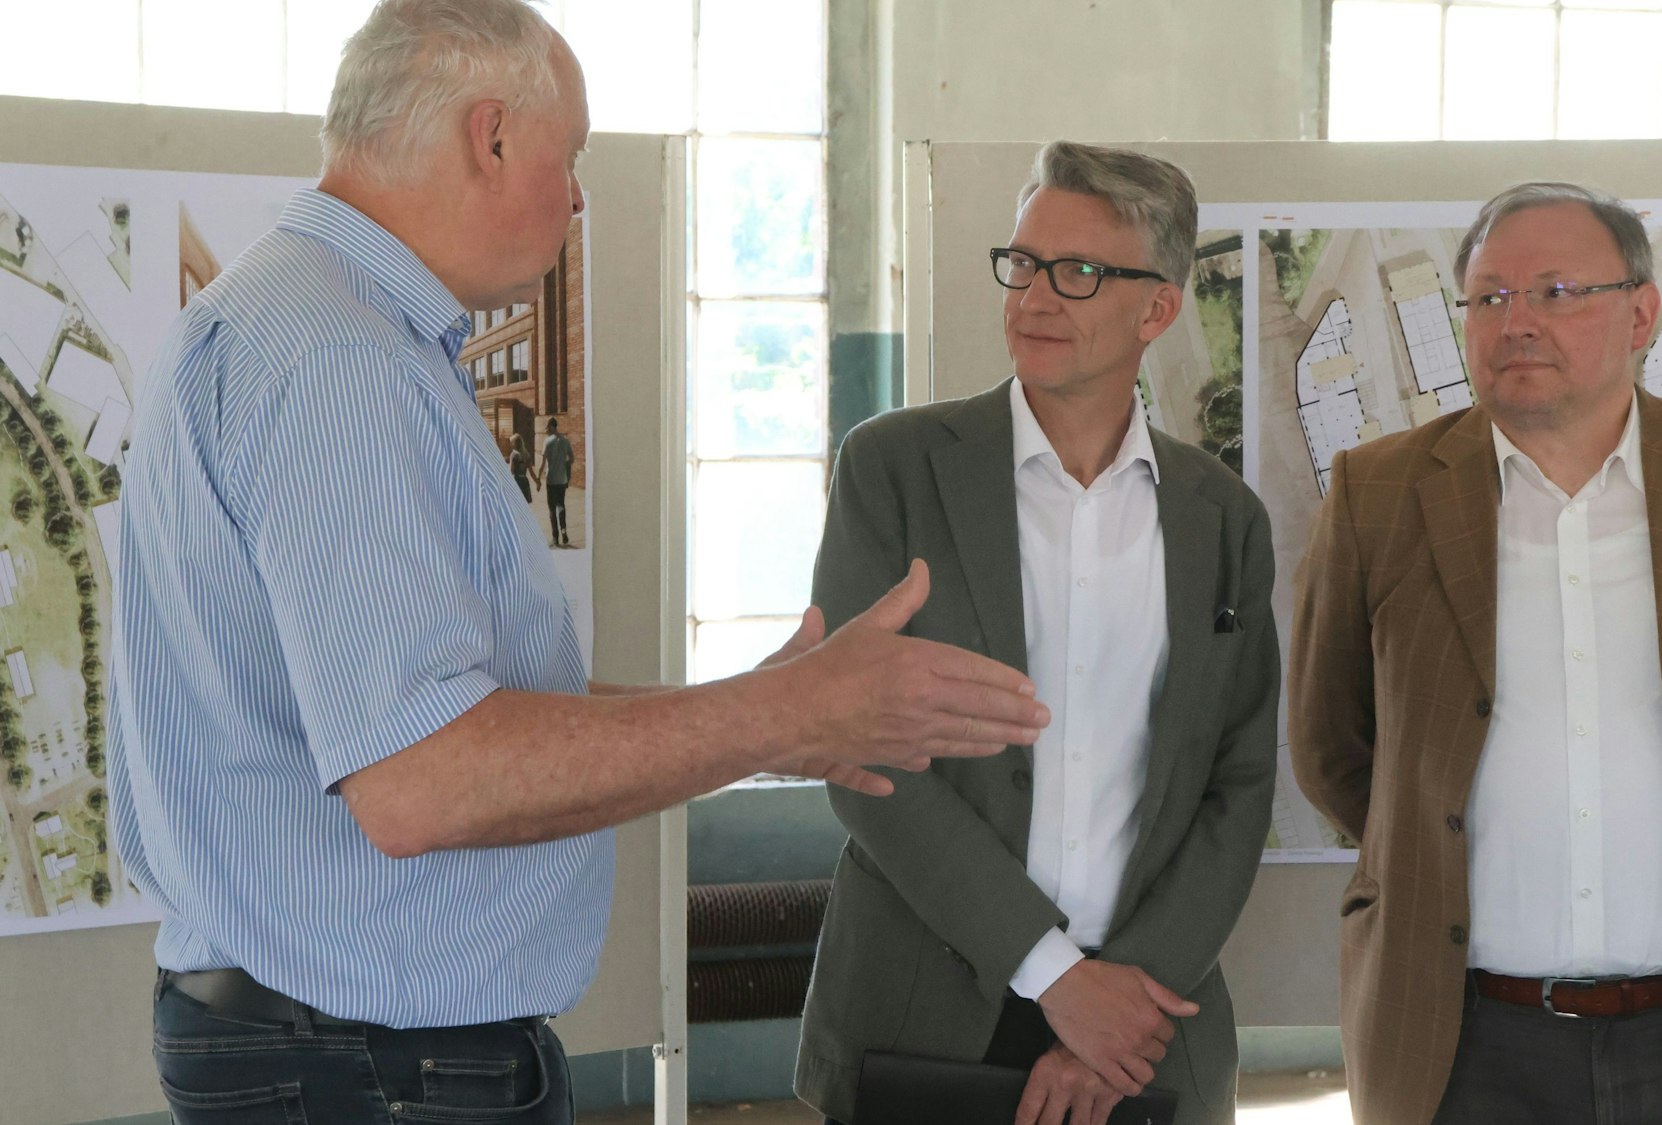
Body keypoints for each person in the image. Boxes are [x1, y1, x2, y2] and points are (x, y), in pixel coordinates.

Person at [106, 3, 1047, 1122]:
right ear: (490, 136)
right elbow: (425, 780)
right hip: (374, 1068)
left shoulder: (300, 322)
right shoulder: (337, 362)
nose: (581, 196)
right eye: (574, 155)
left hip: (343, 1048)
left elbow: (463, 713)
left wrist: (771, 706)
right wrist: (785, 718)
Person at [1287, 181, 1662, 1125]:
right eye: (1490, 297)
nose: (1518, 321)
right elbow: (1332, 749)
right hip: (1462, 1039)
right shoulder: (1379, 494)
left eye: (1556, 292)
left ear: (1640, 312)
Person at [795, 141, 1280, 1125]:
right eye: (1021, 264)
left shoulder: (1221, 518)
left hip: (1146, 1033)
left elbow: (1236, 785)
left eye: (1079, 272)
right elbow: (862, 760)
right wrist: (1057, 978)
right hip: (921, 1021)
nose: (1034, 297)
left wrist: (1115, 1010)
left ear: (1157, 308)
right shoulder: (892, 469)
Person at [540, 415, 574, 546]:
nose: (547, 429)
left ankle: (555, 537)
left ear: (553, 426)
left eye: (548, 427)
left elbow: (543, 463)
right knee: (561, 505)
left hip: (551, 479)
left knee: (552, 509)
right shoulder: (565, 441)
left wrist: (538, 478)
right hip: (562, 479)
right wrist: (564, 465)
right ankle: (564, 531)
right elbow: (571, 459)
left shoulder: (547, 441)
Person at [509, 428, 536, 503]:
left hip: (516, 481)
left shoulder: (513, 455)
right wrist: (537, 482)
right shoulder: (527, 455)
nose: (510, 444)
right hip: (524, 481)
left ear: (515, 443)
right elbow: (531, 472)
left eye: (511, 442)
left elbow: (511, 471)